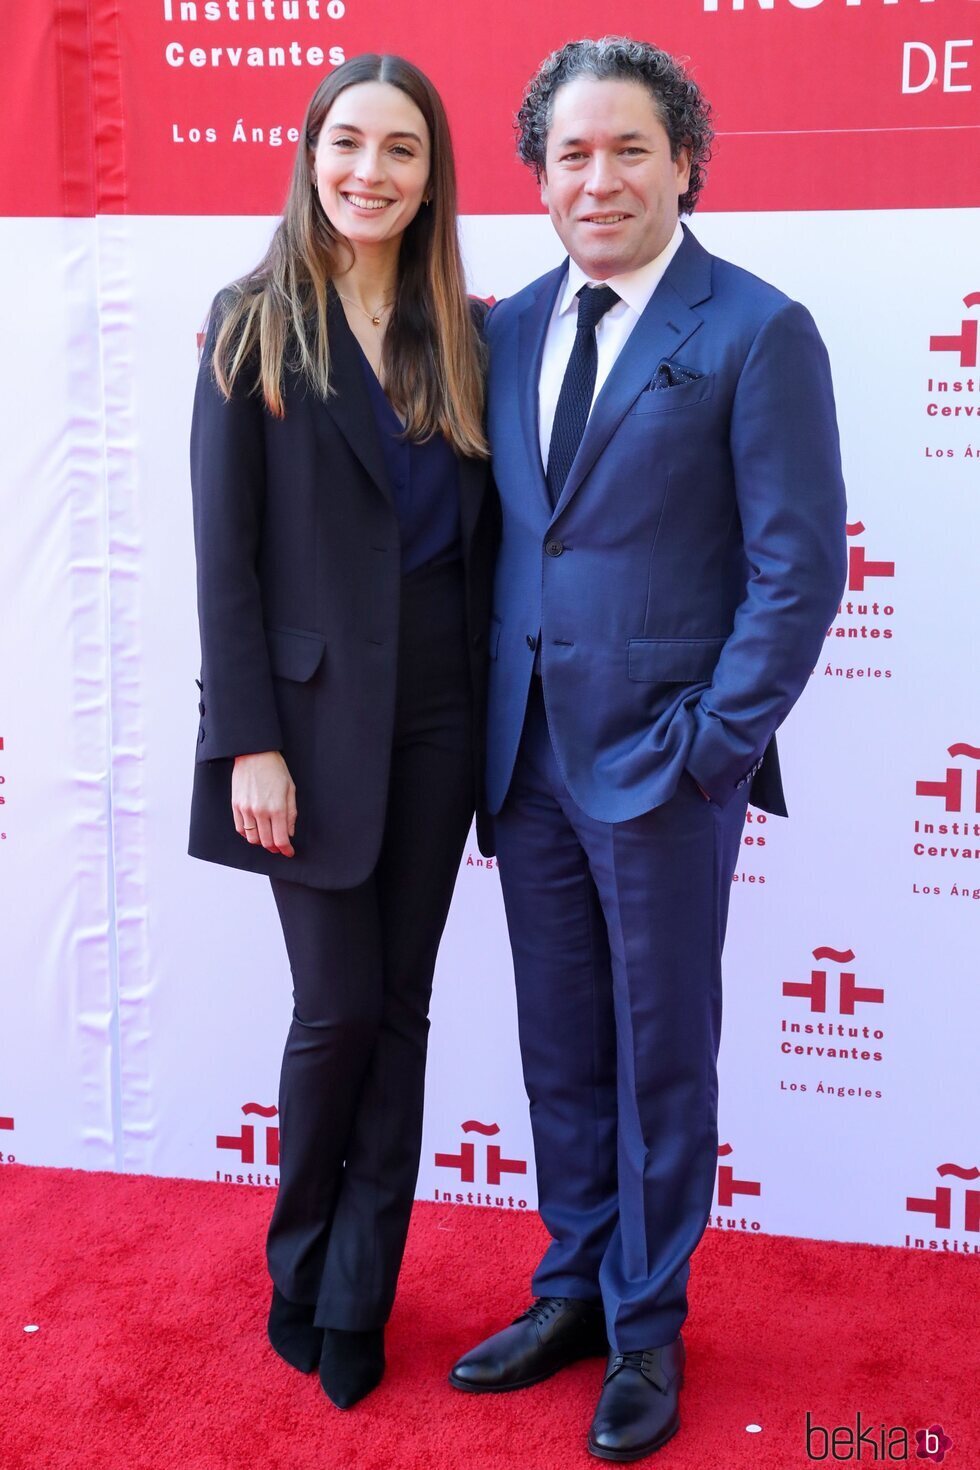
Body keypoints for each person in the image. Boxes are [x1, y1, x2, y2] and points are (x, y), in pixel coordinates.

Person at [449, 37, 847, 1461]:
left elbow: (798, 571)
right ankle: (569, 1285)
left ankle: (647, 1325)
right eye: (572, 153)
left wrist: (713, 745)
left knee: (660, 1054)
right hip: (527, 761)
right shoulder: (498, 330)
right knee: (559, 1047)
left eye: (628, 149)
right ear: (540, 175)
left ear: (687, 162)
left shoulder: (754, 328)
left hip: (667, 764)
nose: (598, 177)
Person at [188, 53, 496, 1410]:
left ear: (433, 178)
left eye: (403, 151)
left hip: (440, 708)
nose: (371, 171)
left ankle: (362, 1285)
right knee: (340, 1007)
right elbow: (225, 558)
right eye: (349, 143)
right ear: (311, 152)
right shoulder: (250, 319)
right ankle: (298, 1257)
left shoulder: (463, 331)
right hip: (303, 727)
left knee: (408, 1007)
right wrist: (246, 736)